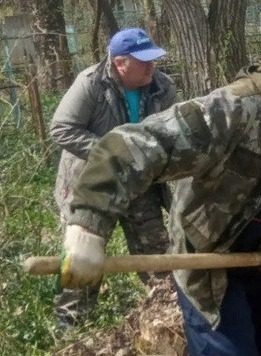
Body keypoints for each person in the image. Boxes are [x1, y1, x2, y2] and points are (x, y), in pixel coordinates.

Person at [58, 23, 261, 355]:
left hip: (258, 255)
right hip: (207, 254)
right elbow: (125, 147)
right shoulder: (236, 110)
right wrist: (87, 227)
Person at [51, 27, 176, 328]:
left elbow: (172, 131)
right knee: (83, 258)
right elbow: (62, 129)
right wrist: (112, 152)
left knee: (158, 258)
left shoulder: (162, 87)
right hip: (92, 186)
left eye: (153, 59)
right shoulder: (91, 84)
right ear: (121, 63)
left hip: (140, 185)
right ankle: (72, 329)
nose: (151, 66)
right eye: (143, 61)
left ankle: (168, 319)